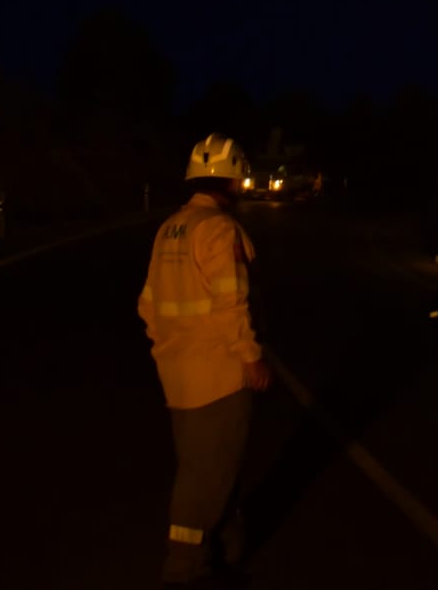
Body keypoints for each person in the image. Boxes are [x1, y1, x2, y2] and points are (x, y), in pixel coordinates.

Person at [139, 133, 272, 586]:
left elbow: (147, 304)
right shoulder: (220, 230)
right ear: (232, 180)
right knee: (203, 479)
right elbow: (231, 304)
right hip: (218, 376)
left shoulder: (170, 228)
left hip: (177, 375)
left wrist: (168, 348)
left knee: (214, 467)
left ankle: (227, 552)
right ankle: (183, 568)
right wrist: (251, 358)